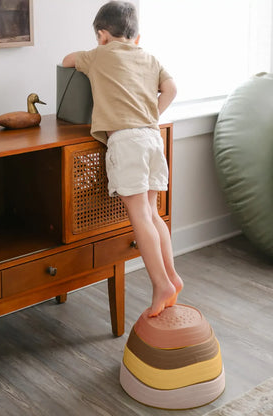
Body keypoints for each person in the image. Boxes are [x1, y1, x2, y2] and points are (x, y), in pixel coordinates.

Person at [62, 1, 182, 317]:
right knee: (153, 213)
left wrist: (95, 49)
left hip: (127, 142)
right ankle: (172, 276)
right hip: (152, 138)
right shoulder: (149, 58)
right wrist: (151, 115)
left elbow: (67, 60)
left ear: (102, 35)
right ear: (136, 37)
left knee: (139, 215)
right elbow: (171, 89)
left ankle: (161, 284)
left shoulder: (98, 55)